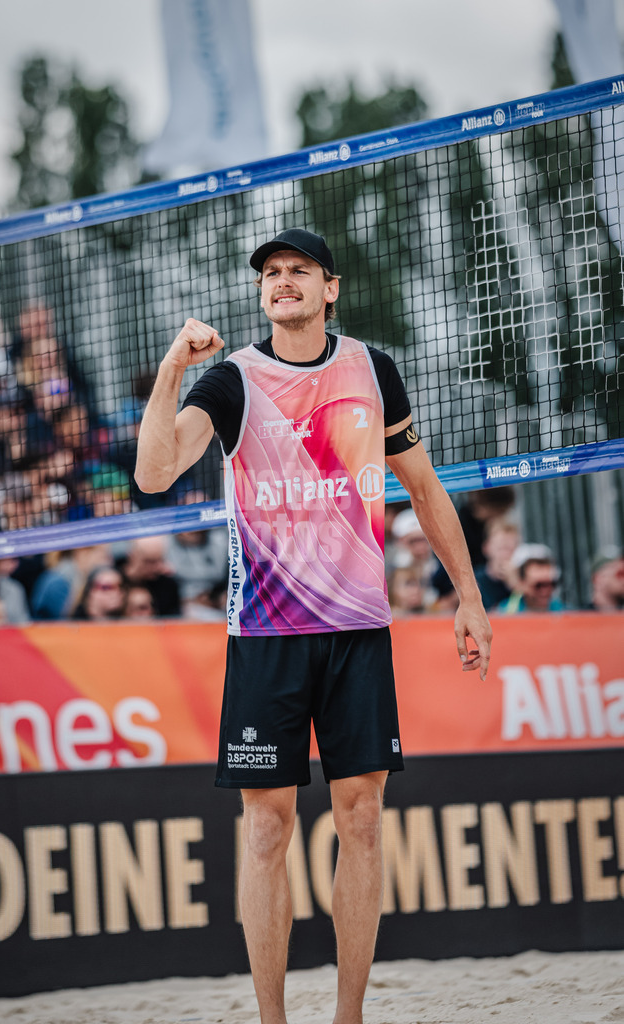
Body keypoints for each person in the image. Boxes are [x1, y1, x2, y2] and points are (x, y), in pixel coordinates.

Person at [135, 228, 492, 1024]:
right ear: (260, 292)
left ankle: (348, 1016)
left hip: (357, 627)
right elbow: (153, 472)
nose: (282, 281)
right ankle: (272, 1021)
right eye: (270, 273)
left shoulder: (371, 368)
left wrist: (468, 596)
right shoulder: (231, 381)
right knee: (266, 830)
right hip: (265, 635)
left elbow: (424, 488)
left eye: (298, 271)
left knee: (360, 819)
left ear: (329, 288)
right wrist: (171, 369)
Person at [497, 543, 565, 613]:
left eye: (552, 584)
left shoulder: (565, 612)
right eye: (538, 585)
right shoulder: (504, 613)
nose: (545, 591)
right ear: (521, 583)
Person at [474, 519, 520, 611]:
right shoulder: (475, 579)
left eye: (510, 548)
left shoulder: (524, 579)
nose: (505, 554)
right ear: (486, 548)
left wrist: (516, 585)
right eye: (501, 548)